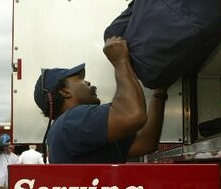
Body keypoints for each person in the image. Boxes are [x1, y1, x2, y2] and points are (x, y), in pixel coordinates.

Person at [33, 36, 168, 163]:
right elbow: (133, 115)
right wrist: (120, 61)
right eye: (79, 79)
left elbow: (146, 143)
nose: (88, 83)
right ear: (64, 91)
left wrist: (159, 92)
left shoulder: (68, 129)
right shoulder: (73, 119)